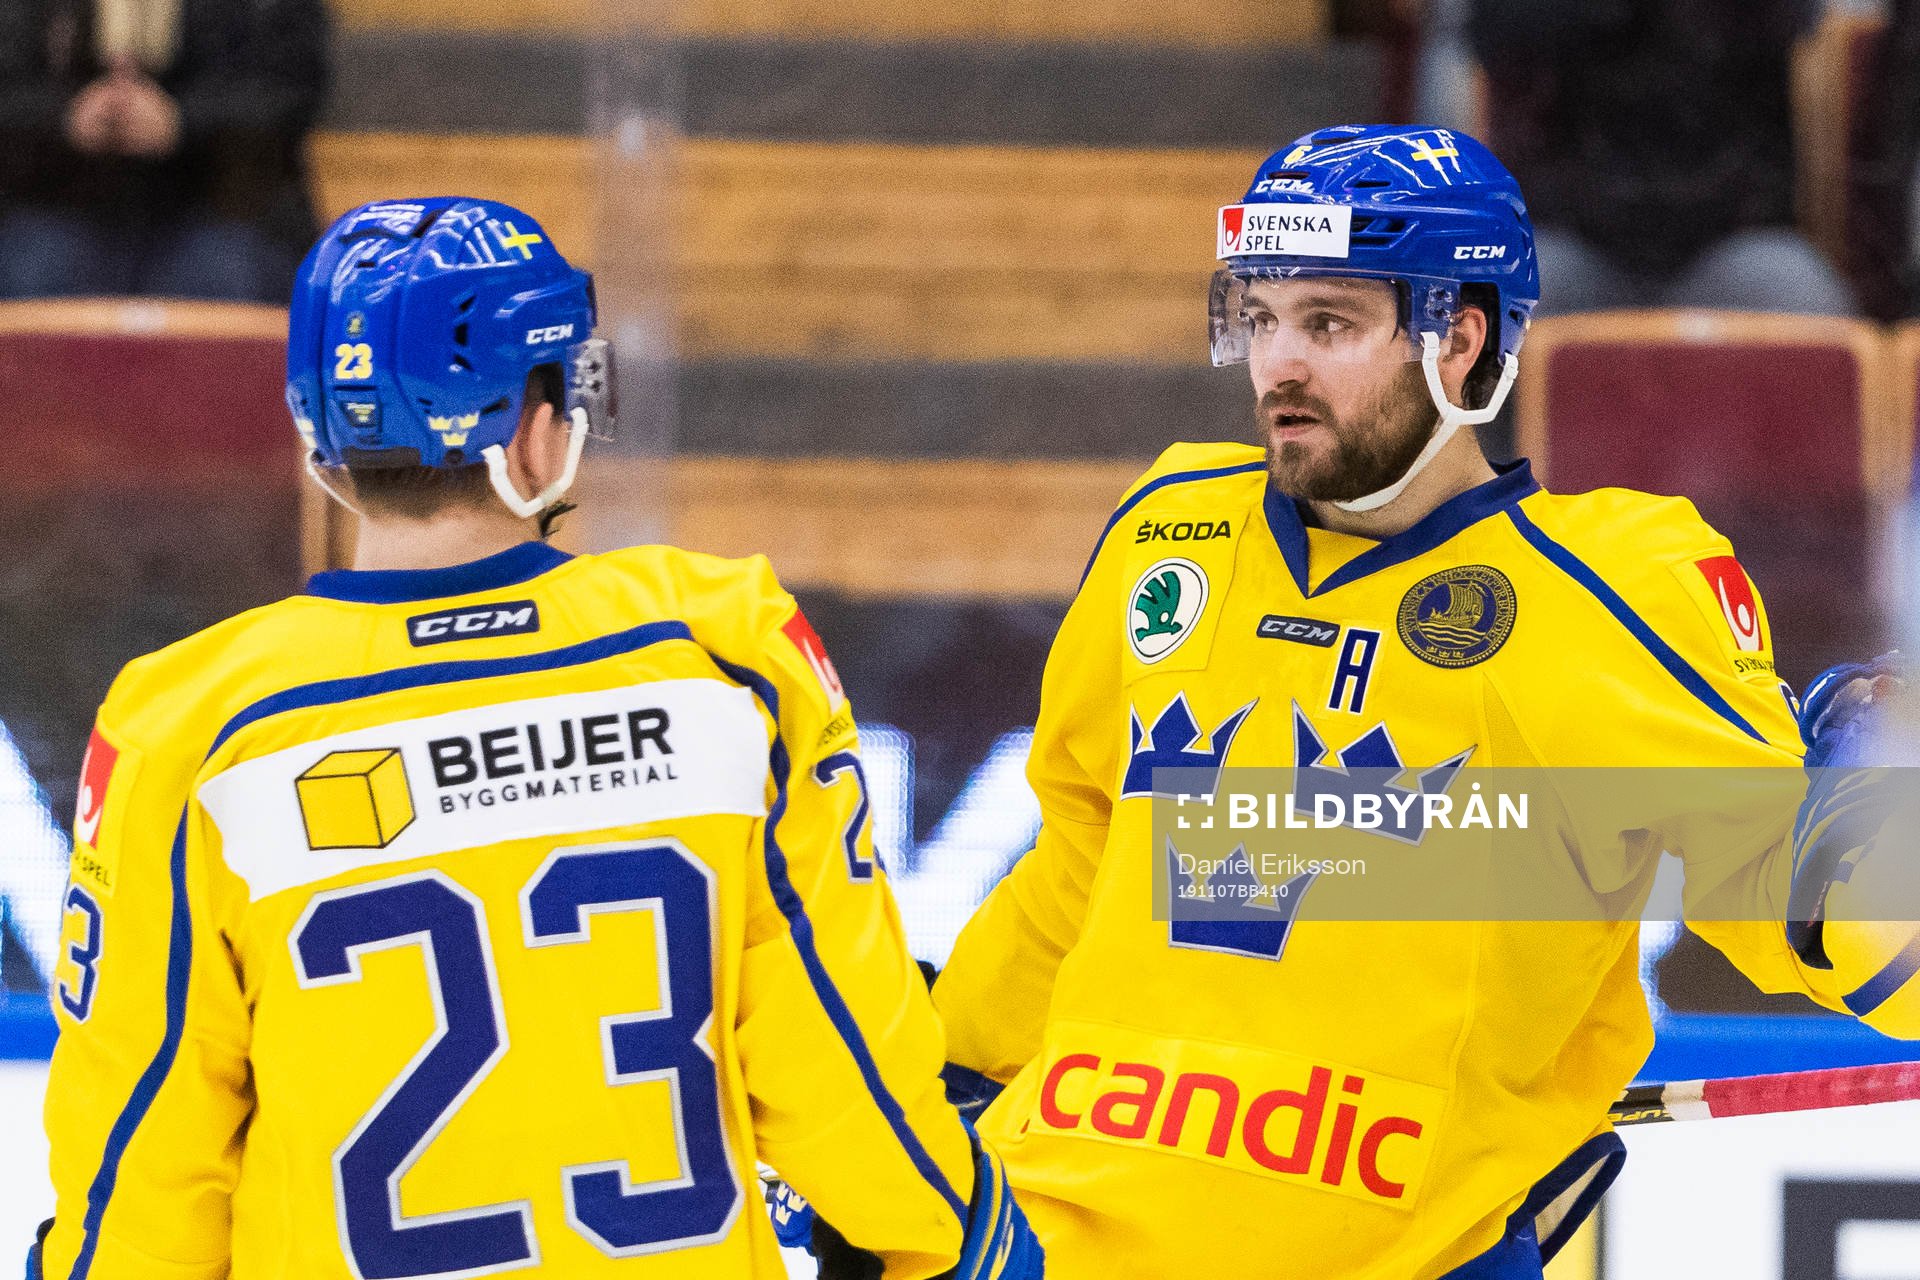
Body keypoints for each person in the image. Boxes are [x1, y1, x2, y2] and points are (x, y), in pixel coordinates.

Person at [927, 125, 1919, 1279]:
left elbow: (1804, 897)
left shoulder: (1607, 591)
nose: (1277, 365)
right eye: (1260, 317)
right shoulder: (1171, 528)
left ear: (1460, 338)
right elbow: (1086, 861)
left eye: (1330, 323)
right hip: (1058, 1238)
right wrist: (931, 1075)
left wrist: (1871, 840)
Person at [29, 198, 1041, 1280]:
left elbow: (142, 1165)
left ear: (322, 426)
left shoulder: (191, 722)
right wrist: (966, 1238)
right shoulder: (723, 648)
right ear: (534, 422)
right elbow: (843, 1068)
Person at [1468, 0, 1853, 317]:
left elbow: (1793, 19)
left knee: (1807, 303)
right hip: (1569, 242)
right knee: (1481, 316)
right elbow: (1493, 34)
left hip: (1730, 244)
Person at [0, 0, 328, 302]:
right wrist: (65, 116)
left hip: (222, 209)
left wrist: (179, 121)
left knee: (230, 279)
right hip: (57, 204)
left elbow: (290, 90)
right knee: (32, 274)